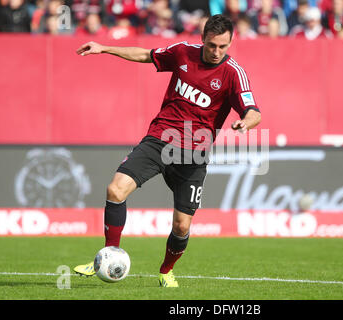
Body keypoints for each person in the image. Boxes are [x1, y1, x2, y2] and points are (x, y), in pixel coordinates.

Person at [73, 14, 262, 288]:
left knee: (182, 226)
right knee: (115, 190)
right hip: (159, 139)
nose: (216, 52)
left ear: (230, 42)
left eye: (222, 46)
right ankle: (107, 253)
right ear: (203, 39)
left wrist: (246, 122)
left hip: (194, 155)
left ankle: (165, 270)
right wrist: (105, 48)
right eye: (212, 45)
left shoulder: (233, 73)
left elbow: (254, 111)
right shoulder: (183, 52)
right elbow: (145, 55)